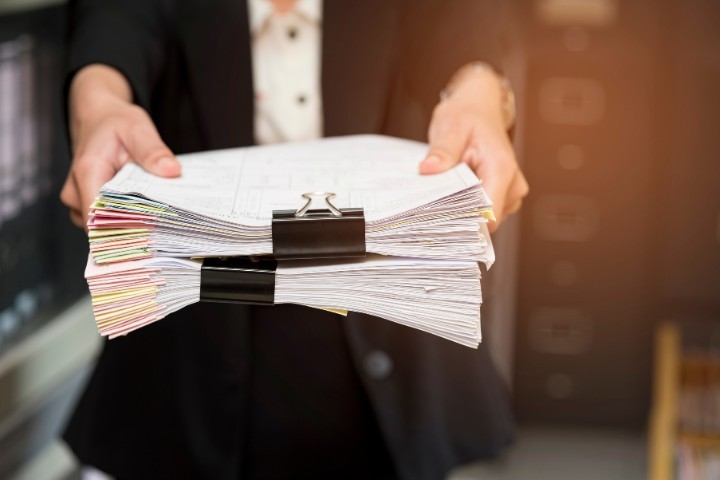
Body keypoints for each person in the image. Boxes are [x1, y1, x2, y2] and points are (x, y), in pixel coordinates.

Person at [61, 0, 528, 479]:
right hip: (196, 339)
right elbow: (118, 16)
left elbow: (461, 16)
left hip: (381, 329)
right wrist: (99, 100)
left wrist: (479, 88)